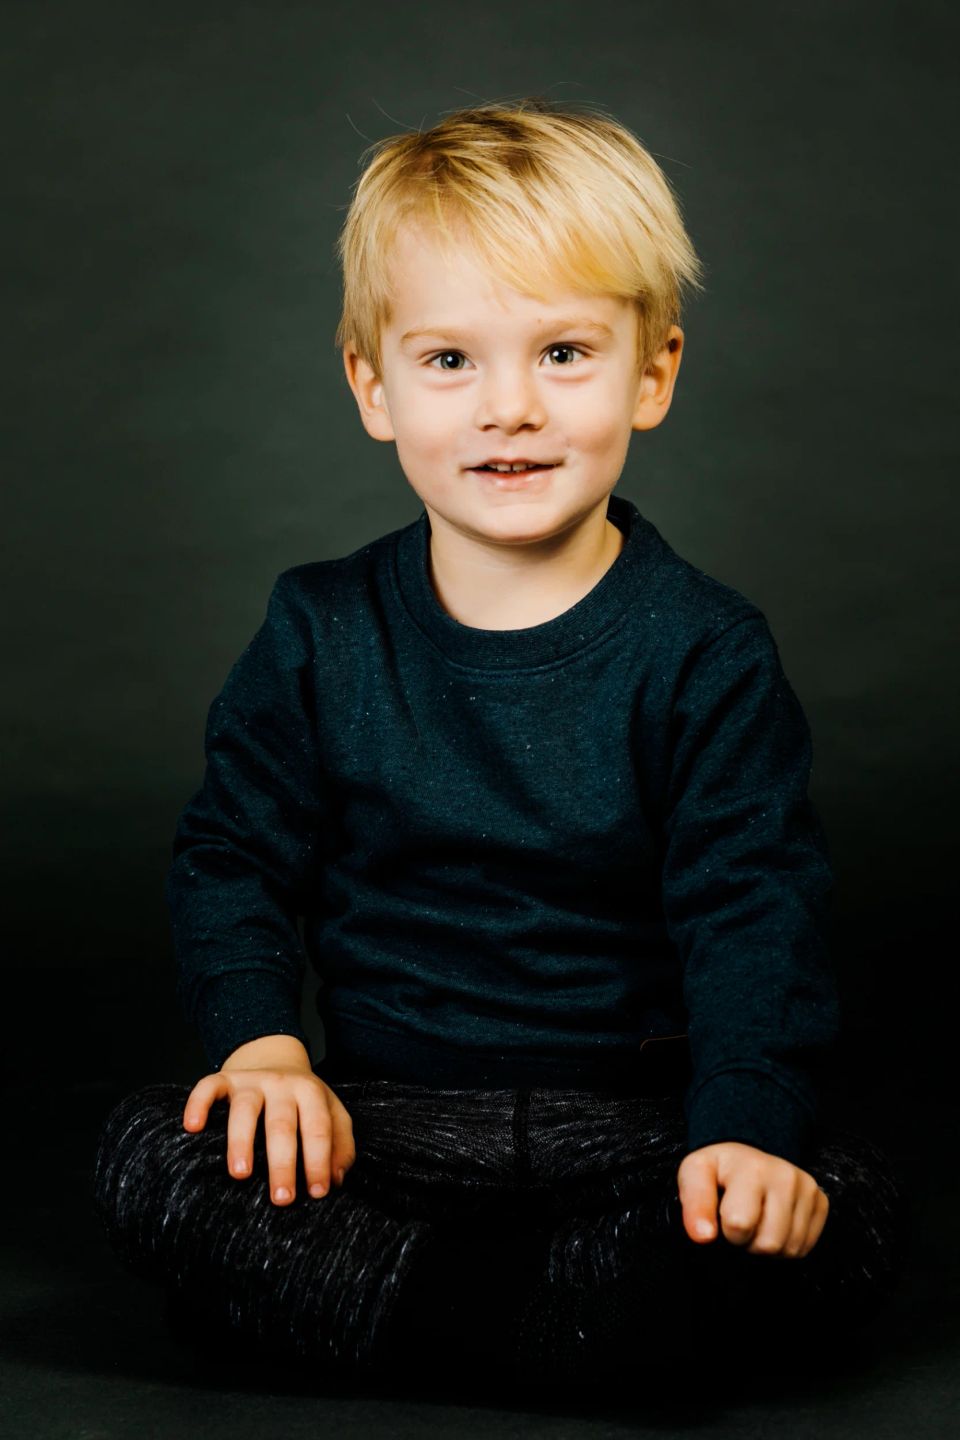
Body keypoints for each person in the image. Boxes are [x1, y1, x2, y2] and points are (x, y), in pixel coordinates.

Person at [92, 97, 911, 1401]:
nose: (511, 409)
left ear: (654, 372)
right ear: (374, 385)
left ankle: (391, 1315)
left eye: (566, 353)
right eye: (452, 361)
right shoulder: (319, 630)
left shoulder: (706, 651)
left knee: (839, 1200)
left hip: (637, 1135)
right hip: (386, 1127)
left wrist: (744, 1136)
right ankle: (547, 1330)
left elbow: (751, 912)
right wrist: (264, 1050)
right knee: (156, 1155)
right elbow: (235, 860)